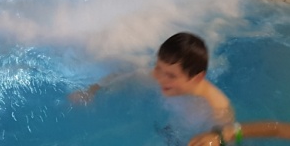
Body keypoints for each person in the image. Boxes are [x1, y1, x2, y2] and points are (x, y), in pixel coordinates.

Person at [69, 32, 234, 126]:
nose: (160, 78)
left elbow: (225, 145)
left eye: (171, 76)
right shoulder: (161, 78)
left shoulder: (217, 108)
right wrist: (91, 91)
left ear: (197, 78)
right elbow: (123, 76)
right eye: (158, 68)